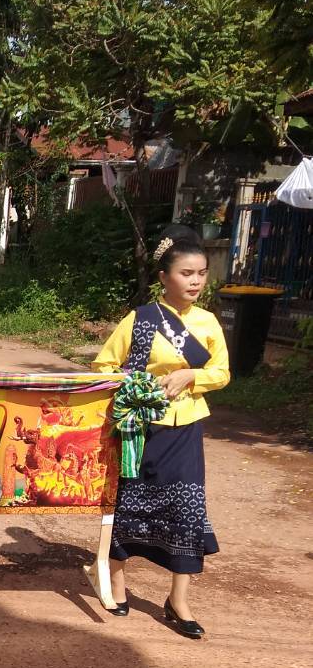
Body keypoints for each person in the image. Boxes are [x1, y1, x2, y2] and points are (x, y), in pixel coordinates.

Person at [93, 231, 230, 635]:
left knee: (187, 510)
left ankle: (178, 601)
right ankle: (116, 581)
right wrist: (135, 387)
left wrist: (192, 376)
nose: (196, 280)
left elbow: (222, 372)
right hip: (139, 429)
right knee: (127, 503)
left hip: (185, 427)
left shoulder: (207, 322)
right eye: (186, 273)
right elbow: (104, 366)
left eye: (201, 273)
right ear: (164, 277)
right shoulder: (140, 319)